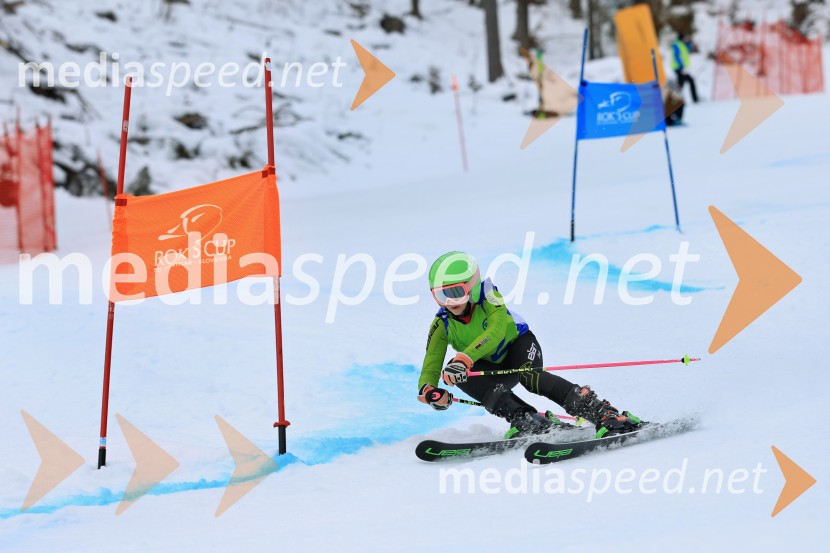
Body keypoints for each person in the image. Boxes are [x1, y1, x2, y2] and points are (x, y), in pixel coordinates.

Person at [417, 251, 642, 439]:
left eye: (454, 293)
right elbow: (431, 363)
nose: (449, 302)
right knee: (456, 373)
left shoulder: (490, 297)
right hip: (492, 369)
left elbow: (494, 333)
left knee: (530, 377)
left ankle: (603, 413)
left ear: (472, 286)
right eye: (440, 295)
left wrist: (464, 358)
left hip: (520, 347)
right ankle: (525, 418)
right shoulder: (442, 324)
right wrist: (428, 390)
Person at [671, 32, 699, 103]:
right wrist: (681, 66)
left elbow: (688, 50)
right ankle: (676, 101)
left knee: (682, 84)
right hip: (679, 68)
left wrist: (689, 43)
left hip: (682, 68)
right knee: (682, 84)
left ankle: (677, 101)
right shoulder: (676, 45)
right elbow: (676, 56)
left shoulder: (681, 45)